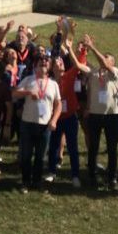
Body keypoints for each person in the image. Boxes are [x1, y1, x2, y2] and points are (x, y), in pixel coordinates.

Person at [69, 34, 118, 190]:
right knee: (93, 147)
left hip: (111, 115)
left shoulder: (115, 73)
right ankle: (92, 176)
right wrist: (70, 48)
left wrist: (91, 47)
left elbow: (103, 63)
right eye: (103, 58)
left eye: (107, 58)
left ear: (112, 62)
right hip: (95, 115)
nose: (103, 60)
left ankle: (112, 178)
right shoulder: (92, 72)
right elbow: (77, 65)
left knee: (112, 149)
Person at [13, 54, 60, 192]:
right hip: (28, 123)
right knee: (26, 155)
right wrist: (28, 92)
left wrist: (54, 120)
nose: (43, 63)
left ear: (50, 67)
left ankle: (37, 182)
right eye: (41, 61)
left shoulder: (53, 84)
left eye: (46, 62)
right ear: (35, 65)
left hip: (45, 126)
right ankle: (25, 182)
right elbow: (15, 93)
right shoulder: (28, 79)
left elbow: (58, 104)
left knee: (40, 156)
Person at [47, 53, 81, 187]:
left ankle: (75, 175)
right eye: (57, 62)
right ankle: (51, 171)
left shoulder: (69, 75)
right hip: (56, 117)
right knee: (53, 146)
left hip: (70, 117)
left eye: (61, 61)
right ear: (52, 67)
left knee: (73, 147)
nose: (60, 62)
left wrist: (70, 49)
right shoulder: (49, 82)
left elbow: (78, 65)